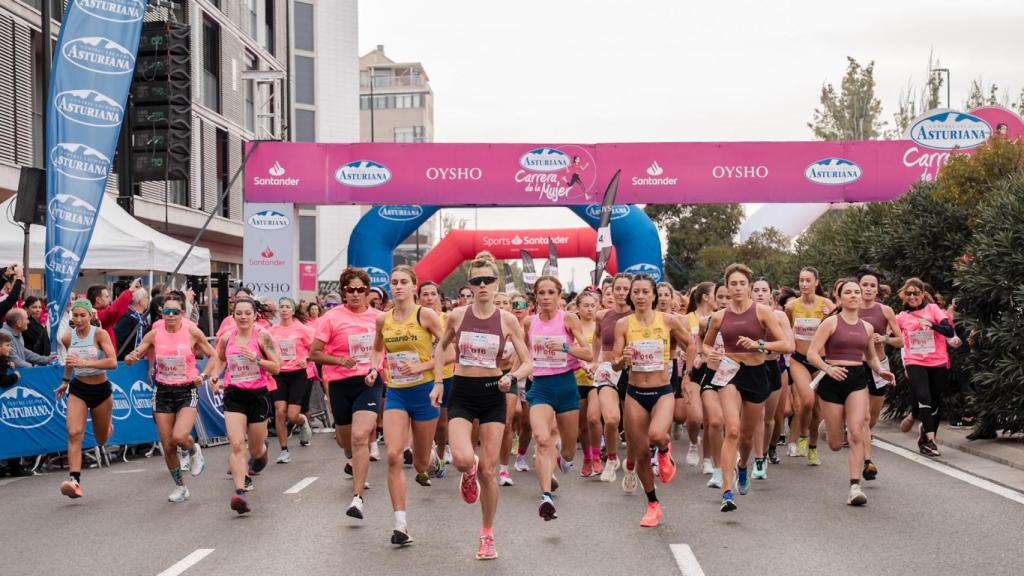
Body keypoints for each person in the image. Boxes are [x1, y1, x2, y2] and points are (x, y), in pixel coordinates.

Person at [432, 258, 531, 560]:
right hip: (462, 392)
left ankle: (487, 533)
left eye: (488, 280)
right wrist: (437, 382)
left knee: (490, 471)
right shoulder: (457, 316)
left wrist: (511, 377)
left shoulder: (507, 320)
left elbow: (527, 361)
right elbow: (440, 348)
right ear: (470, 285)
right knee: (462, 459)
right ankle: (468, 470)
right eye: (476, 282)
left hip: (492, 395)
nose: (483, 286)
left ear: (497, 283)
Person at [703, 264, 790, 511]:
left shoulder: (762, 312)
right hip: (729, 372)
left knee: (746, 435)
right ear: (727, 287)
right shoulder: (719, 316)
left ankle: (743, 467)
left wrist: (759, 345)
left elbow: (785, 344)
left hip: (756, 374)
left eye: (742, 284)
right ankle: (727, 492)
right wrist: (712, 355)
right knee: (732, 429)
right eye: (733, 284)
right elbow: (707, 345)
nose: (738, 288)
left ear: (749, 286)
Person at [368, 266, 445, 545]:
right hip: (397, 393)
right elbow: (377, 348)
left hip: (424, 392)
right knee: (393, 455)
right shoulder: (382, 320)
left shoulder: (425, 315)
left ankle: (433, 458)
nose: (398, 286)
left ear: (414, 287)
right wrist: (374, 367)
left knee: (421, 464)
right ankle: (400, 523)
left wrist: (422, 365)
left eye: (403, 282)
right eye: (394, 282)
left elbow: (450, 350)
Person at [610, 274, 691, 527]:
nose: (641, 296)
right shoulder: (623, 324)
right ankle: (653, 504)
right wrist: (622, 358)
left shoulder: (668, 320)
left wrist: (687, 375)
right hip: (634, 392)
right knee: (642, 452)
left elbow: (691, 343)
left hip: (662, 390)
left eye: (646, 292)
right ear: (630, 296)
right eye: (636, 292)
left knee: (657, 435)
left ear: (654, 295)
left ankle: (666, 452)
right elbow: (614, 362)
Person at [807, 279, 895, 505]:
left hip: (857, 380)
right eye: (849, 292)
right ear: (839, 297)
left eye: (857, 292)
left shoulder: (867, 327)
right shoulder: (830, 323)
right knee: (836, 444)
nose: (854, 295)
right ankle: (828, 426)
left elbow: (871, 356)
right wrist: (828, 368)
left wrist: (881, 371)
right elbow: (812, 354)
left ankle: (855, 487)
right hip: (832, 379)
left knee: (856, 432)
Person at [125, 293, 219, 502]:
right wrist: (131, 357)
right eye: (167, 311)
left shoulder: (192, 332)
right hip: (163, 391)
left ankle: (193, 448)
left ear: (182, 313)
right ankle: (180, 487)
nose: (170, 315)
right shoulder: (155, 333)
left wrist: (203, 376)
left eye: (175, 312)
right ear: (161, 312)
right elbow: (138, 352)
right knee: (167, 446)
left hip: (187, 390)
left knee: (179, 436)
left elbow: (213, 355)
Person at [309, 268, 384, 520]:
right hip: (340, 382)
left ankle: (357, 498)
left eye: (360, 290)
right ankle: (351, 457)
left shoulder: (380, 318)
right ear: (343, 291)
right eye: (350, 289)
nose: (355, 294)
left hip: (369, 381)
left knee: (361, 435)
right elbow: (314, 353)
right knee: (345, 439)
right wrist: (340, 361)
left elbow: (388, 348)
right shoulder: (330, 318)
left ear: (367, 291)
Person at [523, 275, 593, 520]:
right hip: (540, 386)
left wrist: (565, 348)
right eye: (541, 293)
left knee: (570, 452)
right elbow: (525, 355)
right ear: (535, 296)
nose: (545, 298)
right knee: (542, 439)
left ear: (559, 295)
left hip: (565, 386)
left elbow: (588, 353)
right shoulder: (528, 323)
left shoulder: (569, 319)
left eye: (550, 293)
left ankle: (562, 458)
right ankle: (546, 498)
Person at [215, 297, 281, 514]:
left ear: (254, 316)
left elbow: (277, 367)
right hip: (234, 394)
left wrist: (257, 360)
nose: (243, 317)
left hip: (257, 395)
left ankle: (262, 450)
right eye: (239, 313)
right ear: (233, 316)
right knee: (236, 444)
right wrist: (215, 377)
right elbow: (220, 359)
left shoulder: (262, 336)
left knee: (254, 449)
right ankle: (240, 492)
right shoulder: (227, 337)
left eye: (247, 313)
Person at [55, 300, 119, 498]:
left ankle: (108, 426)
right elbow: (70, 361)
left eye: (83, 315)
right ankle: (75, 481)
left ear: (91, 315)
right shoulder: (67, 338)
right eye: (76, 315)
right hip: (79, 388)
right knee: (74, 433)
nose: (79, 319)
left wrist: (86, 362)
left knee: (101, 439)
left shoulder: (99, 334)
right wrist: (66, 380)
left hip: (101, 390)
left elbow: (113, 362)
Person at [895, 278, 955, 457]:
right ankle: (931, 441)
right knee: (923, 397)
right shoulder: (901, 317)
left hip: (937, 361)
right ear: (904, 296)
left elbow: (949, 331)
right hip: (915, 361)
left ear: (922, 294)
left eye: (915, 293)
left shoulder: (933, 309)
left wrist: (932, 324)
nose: (912, 297)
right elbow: (890, 336)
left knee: (936, 400)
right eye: (908, 293)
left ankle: (925, 437)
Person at [784, 267, 835, 464]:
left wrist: (830, 314)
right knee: (806, 400)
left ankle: (813, 446)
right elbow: (787, 330)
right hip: (799, 359)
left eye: (808, 280)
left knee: (816, 409)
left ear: (816, 282)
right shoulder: (791, 306)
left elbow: (835, 330)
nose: (804, 284)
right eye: (801, 280)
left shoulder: (827, 304)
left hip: (820, 362)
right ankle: (803, 435)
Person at [857, 268, 903, 479]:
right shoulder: (850, 308)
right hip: (857, 365)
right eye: (864, 285)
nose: (867, 289)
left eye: (871, 286)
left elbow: (900, 341)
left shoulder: (885, 311)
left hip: (880, 365)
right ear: (858, 287)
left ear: (877, 290)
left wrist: (883, 339)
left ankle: (863, 434)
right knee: (865, 416)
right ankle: (867, 462)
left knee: (872, 417)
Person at [750, 278, 794, 480]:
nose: (760, 293)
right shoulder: (744, 315)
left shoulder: (780, 316)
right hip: (750, 367)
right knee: (755, 417)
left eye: (764, 290)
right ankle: (756, 459)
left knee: (771, 418)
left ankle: (766, 452)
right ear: (751, 293)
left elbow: (789, 346)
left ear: (771, 294)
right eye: (756, 290)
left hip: (774, 366)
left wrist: (761, 345)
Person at [591, 273, 632, 483]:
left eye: (626, 289)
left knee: (632, 424)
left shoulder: (637, 315)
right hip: (608, 369)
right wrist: (595, 359)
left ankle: (633, 463)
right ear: (612, 290)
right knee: (611, 419)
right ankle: (612, 459)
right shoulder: (602, 315)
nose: (622, 292)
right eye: (618, 288)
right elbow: (597, 336)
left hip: (632, 371)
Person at [268, 298, 316, 463]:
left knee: (292, 414)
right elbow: (267, 350)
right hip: (279, 373)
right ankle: (284, 450)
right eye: (281, 307)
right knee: (279, 411)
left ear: (293, 310)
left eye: (288, 307)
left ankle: (302, 422)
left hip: (298, 374)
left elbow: (316, 350)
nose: (284, 309)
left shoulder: (303, 330)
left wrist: (307, 359)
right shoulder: (272, 330)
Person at [419, 281, 456, 471]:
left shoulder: (448, 319)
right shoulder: (415, 319)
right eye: (425, 294)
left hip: (446, 376)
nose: (429, 298)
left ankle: (441, 452)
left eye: (433, 294)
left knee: (442, 423)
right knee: (424, 421)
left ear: (439, 297)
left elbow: (453, 353)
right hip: (420, 377)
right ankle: (428, 454)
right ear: (419, 298)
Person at [683, 283, 715, 475]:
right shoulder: (687, 320)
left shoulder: (719, 318)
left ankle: (708, 459)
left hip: (714, 369)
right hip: (693, 370)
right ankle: (694, 443)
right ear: (705, 297)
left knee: (711, 419)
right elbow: (680, 344)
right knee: (695, 418)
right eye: (715, 295)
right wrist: (687, 356)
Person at [573, 290, 603, 478]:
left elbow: (603, 351)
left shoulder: (599, 326)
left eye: (593, 305)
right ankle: (586, 457)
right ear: (578, 308)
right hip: (576, 378)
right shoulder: (572, 327)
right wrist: (581, 363)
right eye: (586, 305)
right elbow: (568, 351)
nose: (590, 309)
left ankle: (597, 456)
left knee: (593, 418)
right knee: (582, 425)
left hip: (596, 378)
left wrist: (595, 365)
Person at [87, 279, 142, 350]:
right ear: (98, 300)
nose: (110, 299)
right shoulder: (96, 315)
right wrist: (130, 291)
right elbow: (114, 311)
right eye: (107, 297)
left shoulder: (98, 313)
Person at [114, 288, 151, 361]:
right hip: (126, 361)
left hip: (139, 359)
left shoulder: (142, 316)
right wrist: (125, 356)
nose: (148, 300)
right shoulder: (127, 317)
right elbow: (117, 340)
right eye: (147, 297)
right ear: (140, 301)